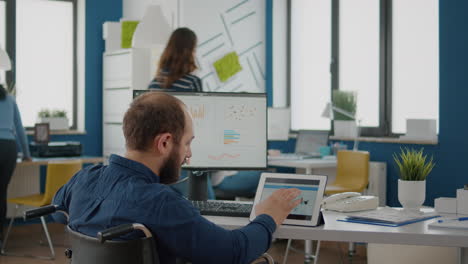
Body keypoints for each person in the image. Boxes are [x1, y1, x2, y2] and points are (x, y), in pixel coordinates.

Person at [53, 92, 302, 263]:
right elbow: (233, 253)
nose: (189, 155)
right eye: (187, 143)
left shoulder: (84, 178)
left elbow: (56, 211)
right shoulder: (159, 202)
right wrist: (268, 218)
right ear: (164, 142)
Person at [148, 27, 262, 199]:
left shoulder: (154, 84)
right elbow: (199, 123)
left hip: (160, 157)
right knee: (206, 207)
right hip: (185, 157)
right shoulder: (192, 82)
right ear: (191, 51)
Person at [0, 84, 31, 244]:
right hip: (9, 149)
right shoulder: (10, 99)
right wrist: (26, 154)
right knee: (1, 193)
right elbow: (19, 129)